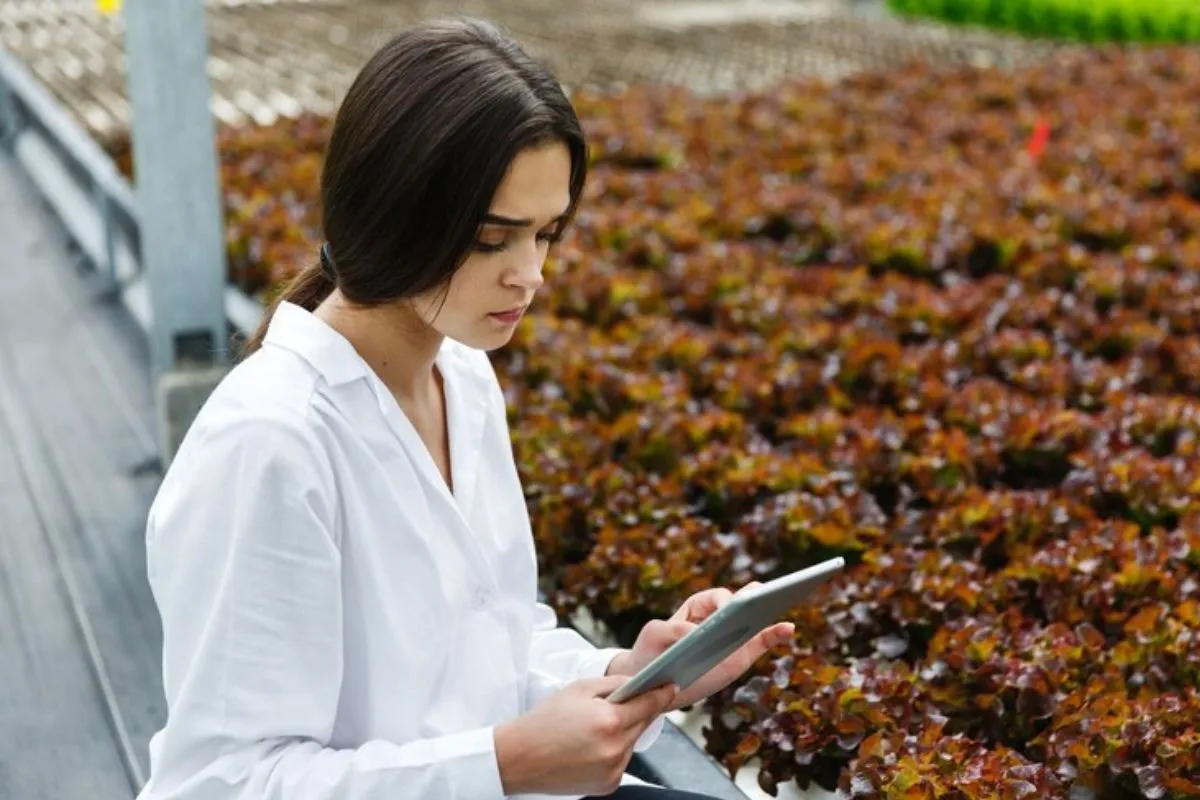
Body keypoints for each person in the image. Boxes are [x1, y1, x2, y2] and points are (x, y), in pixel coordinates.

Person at [137, 16, 793, 800]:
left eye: (547, 234)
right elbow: (224, 783)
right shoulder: (268, 444)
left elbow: (489, 657)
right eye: (492, 238)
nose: (531, 275)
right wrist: (508, 762)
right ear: (392, 210)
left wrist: (634, 675)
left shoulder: (464, 378)